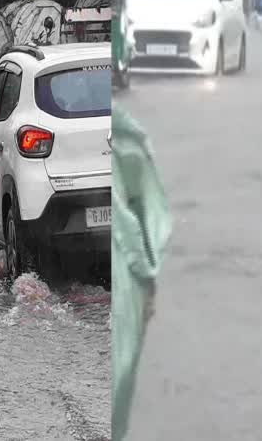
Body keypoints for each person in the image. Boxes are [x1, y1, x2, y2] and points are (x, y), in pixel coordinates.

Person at [111, 108, 171, 441]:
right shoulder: (128, 142)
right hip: (127, 285)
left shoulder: (127, 141)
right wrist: (149, 276)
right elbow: (131, 227)